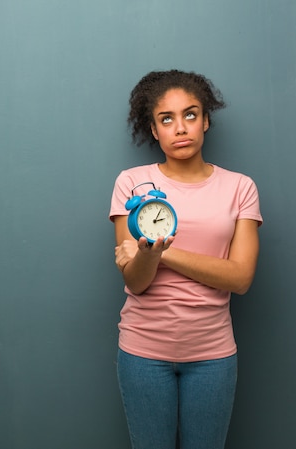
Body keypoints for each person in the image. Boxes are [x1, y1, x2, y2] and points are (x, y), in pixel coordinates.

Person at [109, 69, 263, 449]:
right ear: (154, 128)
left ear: (206, 120)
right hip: (143, 353)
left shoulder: (240, 187)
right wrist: (146, 260)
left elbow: (240, 278)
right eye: (167, 119)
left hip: (213, 356)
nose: (180, 128)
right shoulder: (132, 183)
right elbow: (137, 282)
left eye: (190, 115)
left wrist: (160, 251)